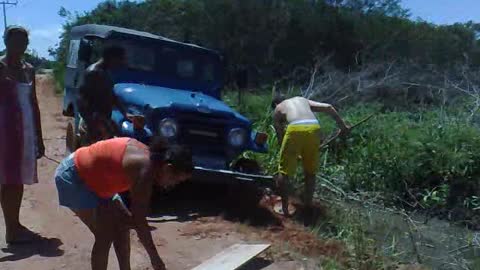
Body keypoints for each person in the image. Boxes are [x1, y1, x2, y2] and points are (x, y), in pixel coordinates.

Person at [54, 136, 192, 270]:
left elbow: (136, 220)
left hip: (100, 183)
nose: (172, 185)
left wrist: (132, 223)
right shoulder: (145, 170)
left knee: (121, 229)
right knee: (105, 234)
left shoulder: (150, 159)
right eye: (175, 180)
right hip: (74, 177)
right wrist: (155, 259)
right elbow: (139, 220)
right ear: (167, 168)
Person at [0, 25, 45, 244]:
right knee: (6, 180)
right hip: (3, 131)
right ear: (5, 41)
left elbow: (34, 103)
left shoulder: (29, 69)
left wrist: (39, 137)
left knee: (16, 180)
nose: (20, 46)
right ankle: (12, 228)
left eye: (24, 42)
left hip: (24, 132)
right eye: (15, 41)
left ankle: (13, 226)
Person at [272, 95, 349, 221]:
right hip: (314, 128)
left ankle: (285, 210)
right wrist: (343, 127)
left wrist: (290, 154)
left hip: (295, 128)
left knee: (284, 172)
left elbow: (281, 138)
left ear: (276, 104)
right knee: (310, 172)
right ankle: (307, 207)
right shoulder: (302, 100)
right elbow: (329, 107)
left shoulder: (278, 108)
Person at [77, 45, 130, 145]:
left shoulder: (105, 73)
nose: (121, 63)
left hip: (102, 121)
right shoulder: (93, 73)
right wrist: (92, 123)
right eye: (120, 59)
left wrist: (125, 113)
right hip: (93, 124)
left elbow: (112, 95)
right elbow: (81, 99)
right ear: (112, 58)